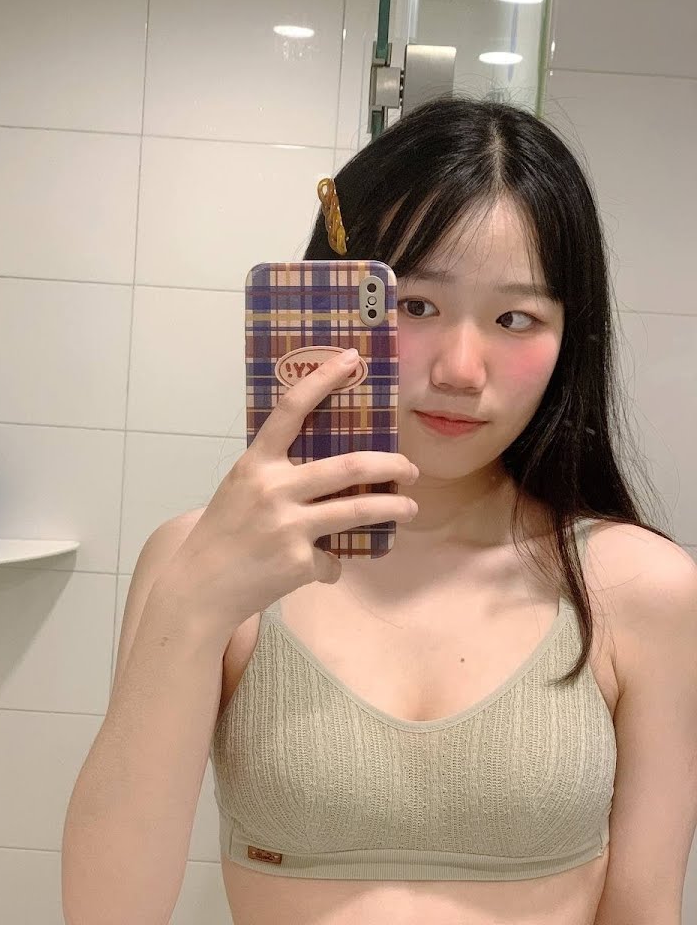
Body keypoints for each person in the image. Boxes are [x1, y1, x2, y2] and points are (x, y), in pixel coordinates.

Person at [62, 96, 697, 925]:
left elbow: (644, 907)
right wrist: (192, 603)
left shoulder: (641, 587)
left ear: (569, 340)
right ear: (330, 303)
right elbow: (108, 911)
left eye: (516, 318)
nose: (462, 369)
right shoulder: (205, 563)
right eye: (415, 305)